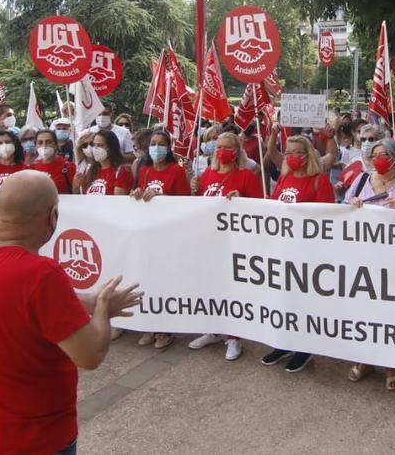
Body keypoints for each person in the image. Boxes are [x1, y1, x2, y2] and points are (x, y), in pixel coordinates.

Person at [0, 171, 142, 454]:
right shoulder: (41, 274)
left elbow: (29, 306)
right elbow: (90, 355)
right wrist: (103, 311)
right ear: (52, 216)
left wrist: (88, 301)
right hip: (35, 439)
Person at [343, 137, 395, 390]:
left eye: (383, 154)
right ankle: (364, 359)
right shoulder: (360, 181)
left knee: (388, 314)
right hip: (363, 258)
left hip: (394, 261)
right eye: (374, 154)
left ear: (394, 159)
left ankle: (391, 365)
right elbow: (342, 210)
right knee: (363, 311)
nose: (378, 158)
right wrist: (352, 205)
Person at [259, 134, 334, 373]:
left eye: (297, 153)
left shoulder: (319, 181)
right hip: (282, 250)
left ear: (308, 155)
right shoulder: (284, 177)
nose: (291, 157)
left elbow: (327, 219)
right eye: (288, 153)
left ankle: (304, 348)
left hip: (307, 254)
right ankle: (283, 344)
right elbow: (273, 206)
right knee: (283, 300)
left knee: (304, 302)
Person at [188, 131, 263, 360]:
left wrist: (241, 199)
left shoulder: (246, 177)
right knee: (210, 287)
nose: (222, 151)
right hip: (208, 242)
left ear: (237, 152)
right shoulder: (206, 175)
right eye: (218, 146)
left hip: (233, 243)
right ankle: (213, 330)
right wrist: (193, 190)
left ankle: (234, 337)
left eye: (228, 148)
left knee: (232, 290)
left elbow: (261, 210)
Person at [130, 130, 189, 349]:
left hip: (168, 234)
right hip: (148, 234)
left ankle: (165, 328)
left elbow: (185, 203)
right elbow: (137, 194)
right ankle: (150, 324)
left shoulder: (176, 171)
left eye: (161, 144)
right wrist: (135, 195)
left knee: (165, 281)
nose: (156, 148)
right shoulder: (144, 170)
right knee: (148, 279)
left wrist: (164, 200)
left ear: (169, 148)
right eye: (153, 143)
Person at [73, 131, 131, 195]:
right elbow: (80, 197)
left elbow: (118, 201)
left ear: (111, 148)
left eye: (100, 145)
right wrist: (76, 186)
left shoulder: (122, 171)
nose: (95, 148)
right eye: (94, 145)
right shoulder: (88, 170)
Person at [33, 130, 74, 194]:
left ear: (56, 144)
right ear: (36, 146)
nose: (44, 146)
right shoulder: (34, 167)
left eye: (49, 142)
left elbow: (77, 193)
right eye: (40, 143)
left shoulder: (68, 166)